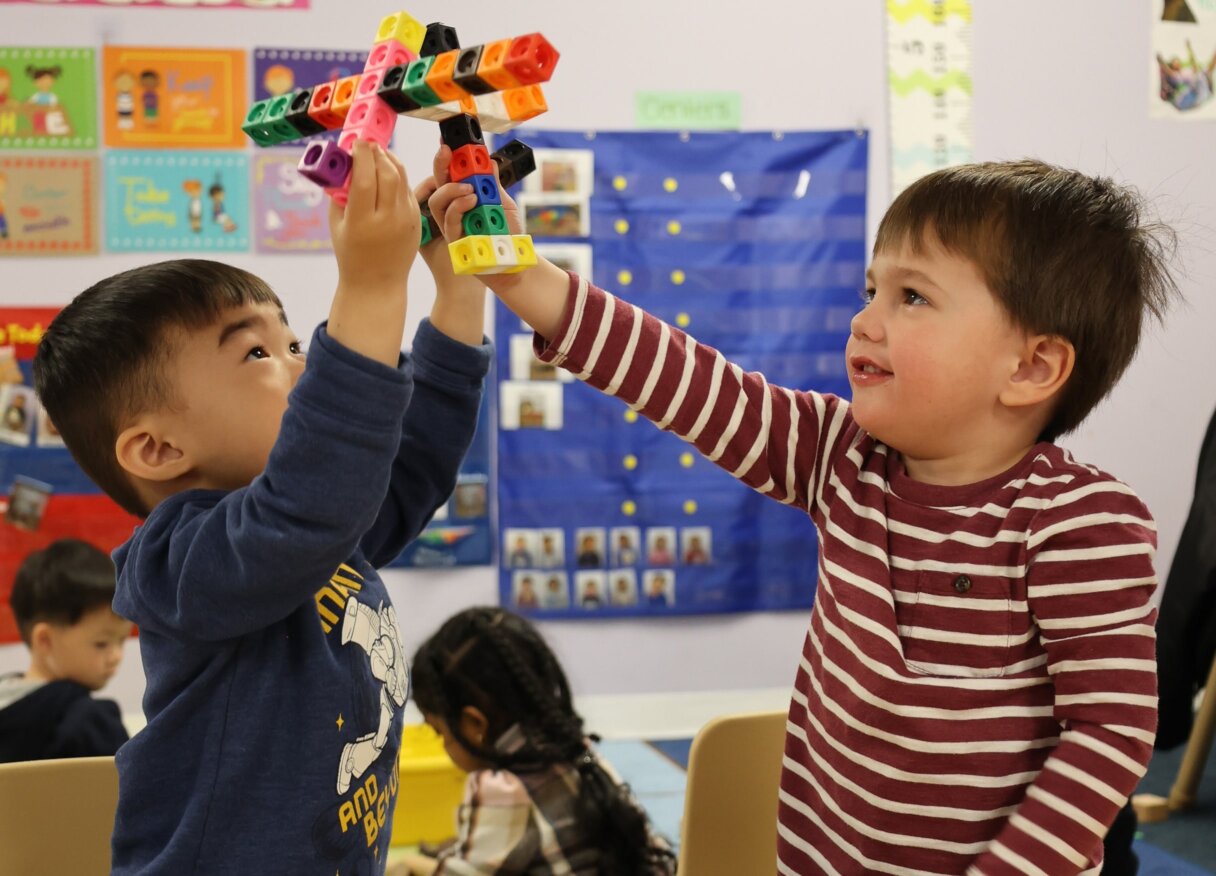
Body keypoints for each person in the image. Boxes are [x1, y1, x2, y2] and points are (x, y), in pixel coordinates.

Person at [424, 151, 1178, 874]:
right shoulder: (838, 456)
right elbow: (687, 382)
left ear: (1032, 367)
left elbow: (1109, 734)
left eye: (911, 297)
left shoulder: (1079, 523)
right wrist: (516, 271)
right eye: (870, 291)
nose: (865, 322)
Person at [32, 141, 492, 875]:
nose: (302, 363)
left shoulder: (318, 529)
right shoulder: (180, 562)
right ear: (158, 450)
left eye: (290, 339)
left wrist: (458, 292)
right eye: (258, 354)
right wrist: (369, 290)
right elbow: (314, 493)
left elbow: (407, 469)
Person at [398, 607, 675, 875]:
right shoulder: (578, 749)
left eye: (439, 732)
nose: (442, 744)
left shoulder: (502, 788)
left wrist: (409, 864)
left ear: (474, 725)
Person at [0, 539, 131, 763]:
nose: (116, 656)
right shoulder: (87, 721)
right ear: (45, 640)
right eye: (102, 643)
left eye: (121, 641)